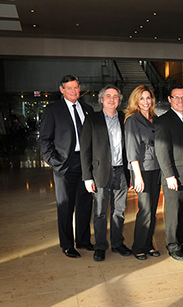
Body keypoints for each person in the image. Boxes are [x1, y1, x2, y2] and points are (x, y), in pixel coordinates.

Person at [39, 75, 94, 258]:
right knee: (65, 206)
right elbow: (45, 139)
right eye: (69, 88)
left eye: (76, 87)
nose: (74, 91)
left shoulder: (87, 109)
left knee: (85, 203)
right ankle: (67, 244)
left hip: (85, 163)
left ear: (80, 88)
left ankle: (84, 240)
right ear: (62, 90)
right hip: (64, 165)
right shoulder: (53, 110)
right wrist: (54, 161)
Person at [80, 85, 132, 261]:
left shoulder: (125, 119)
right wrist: (87, 177)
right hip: (100, 173)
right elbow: (85, 150)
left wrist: (130, 174)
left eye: (115, 96)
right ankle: (100, 246)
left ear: (119, 100)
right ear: (101, 99)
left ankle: (118, 243)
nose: (112, 99)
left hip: (121, 173)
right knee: (100, 212)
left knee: (119, 210)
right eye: (108, 96)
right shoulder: (92, 120)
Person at [155, 84, 183, 261]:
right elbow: (162, 150)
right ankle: (173, 245)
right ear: (170, 99)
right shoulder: (164, 121)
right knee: (173, 213)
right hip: (174, 176)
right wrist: (169, 175)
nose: (180, 100)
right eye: (176, 97)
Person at [124, 85, 161, 261]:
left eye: (148, 98)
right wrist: (137, 176)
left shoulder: (155, 118)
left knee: (153, 209)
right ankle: (138, 246)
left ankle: (148, 244)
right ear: (136, 101)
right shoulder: (133, 120)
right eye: (142, 98)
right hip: (142, 170)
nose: (146, 102)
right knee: (145, 209)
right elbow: (132, 150)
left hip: (156, 169)